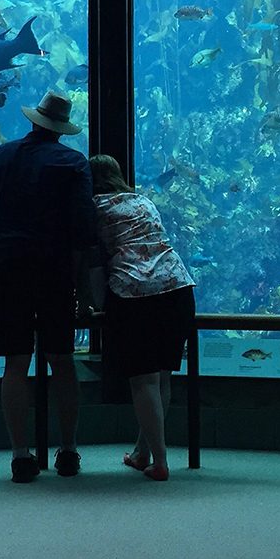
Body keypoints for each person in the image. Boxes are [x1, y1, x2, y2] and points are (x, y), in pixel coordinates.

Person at [0, 91, 96, 483]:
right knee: (61, 360)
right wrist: (85, 289)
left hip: (8, 270)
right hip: (55, 274)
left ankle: (21, 455)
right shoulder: (73, 163)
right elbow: (83, 231)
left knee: (15, 364)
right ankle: (69, 450)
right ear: (60, 129)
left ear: (34, 121)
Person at [88, 154, 195, 482]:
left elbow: (93, 263)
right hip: (178, 287)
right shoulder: (143, 201)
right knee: (162, 377)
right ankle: (142, 453)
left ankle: (160, 462)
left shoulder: (94, 208)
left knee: (144, 381)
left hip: (136, 293)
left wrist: (97, 303)